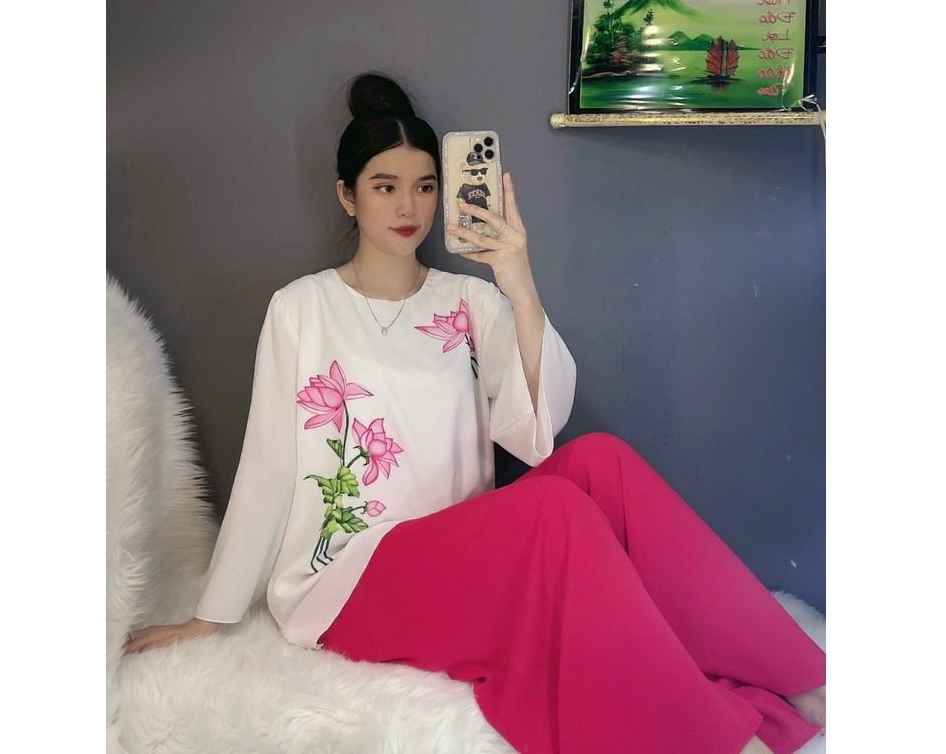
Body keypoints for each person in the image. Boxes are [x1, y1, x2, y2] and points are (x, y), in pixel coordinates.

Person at [124, 73, 826, 754]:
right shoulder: (301, 308)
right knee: (554, 510)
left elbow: (534, 428)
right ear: (347, 195)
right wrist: (210, 615)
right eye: (385, 186)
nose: (409, 206)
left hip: (464, 556)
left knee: (600, 460)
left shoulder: (469, 301)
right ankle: (705, 736)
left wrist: (518, 282)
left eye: (426, 186)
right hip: (349, 580)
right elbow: (270, 463)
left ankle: (803, 676)